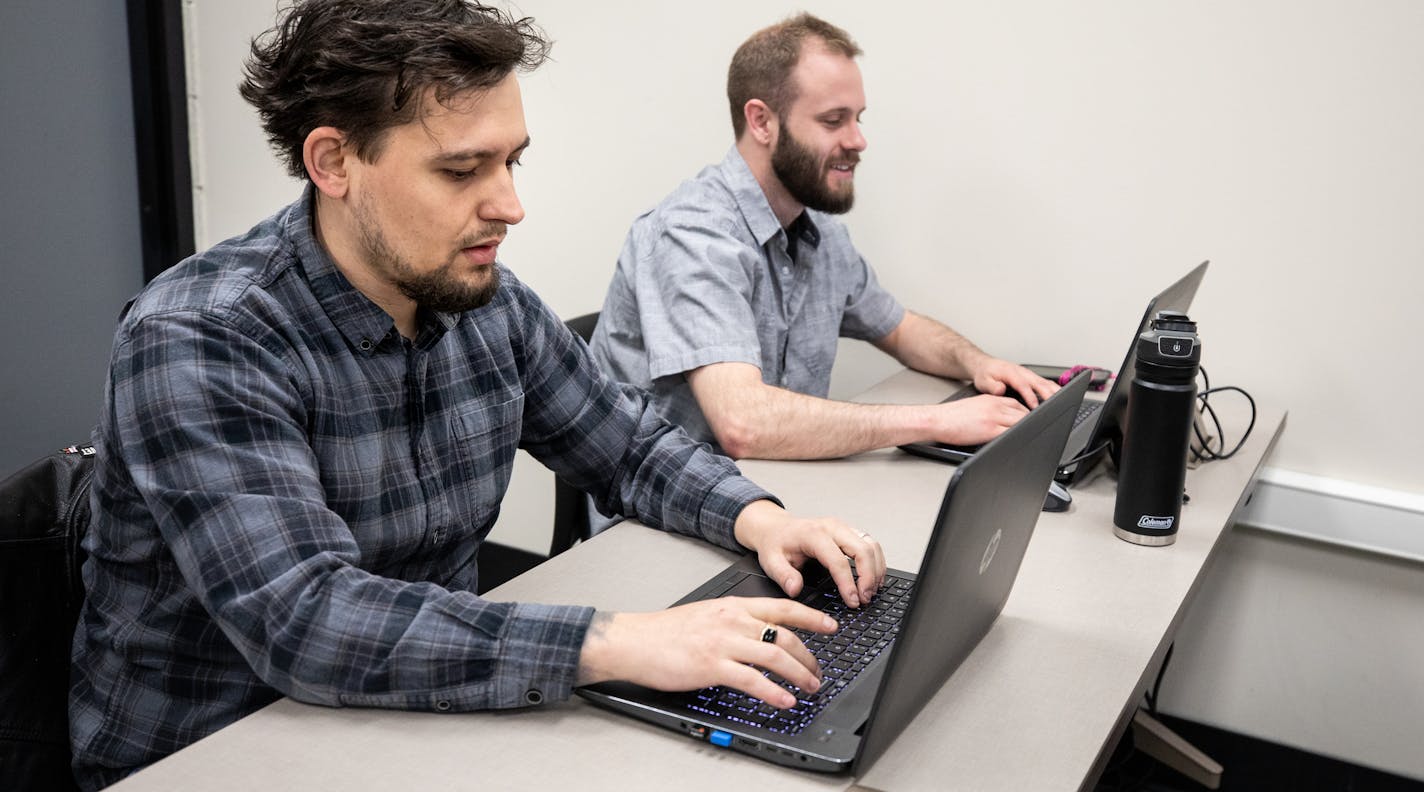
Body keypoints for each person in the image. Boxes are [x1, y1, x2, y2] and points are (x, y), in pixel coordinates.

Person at [68, 2, 886, 788]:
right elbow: (307, 620)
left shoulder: (485, 301)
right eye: (462, 169)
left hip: (421, 716)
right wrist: (618, 641)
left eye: (511, 160)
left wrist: (763, 519)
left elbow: (628, 445)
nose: (510, 205)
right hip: (220, 749)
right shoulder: (203, 337)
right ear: (334, 162)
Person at [590, 13, 1058, 461]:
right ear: (762, 122)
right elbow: (743, 424)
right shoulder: (693, 234)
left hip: (770, 489)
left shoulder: (822, 232)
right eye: (834, 121)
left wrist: (977, 364)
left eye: (859, 117)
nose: (858, 140)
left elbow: (900, 329)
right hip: (656, 520)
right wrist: (936, 422)